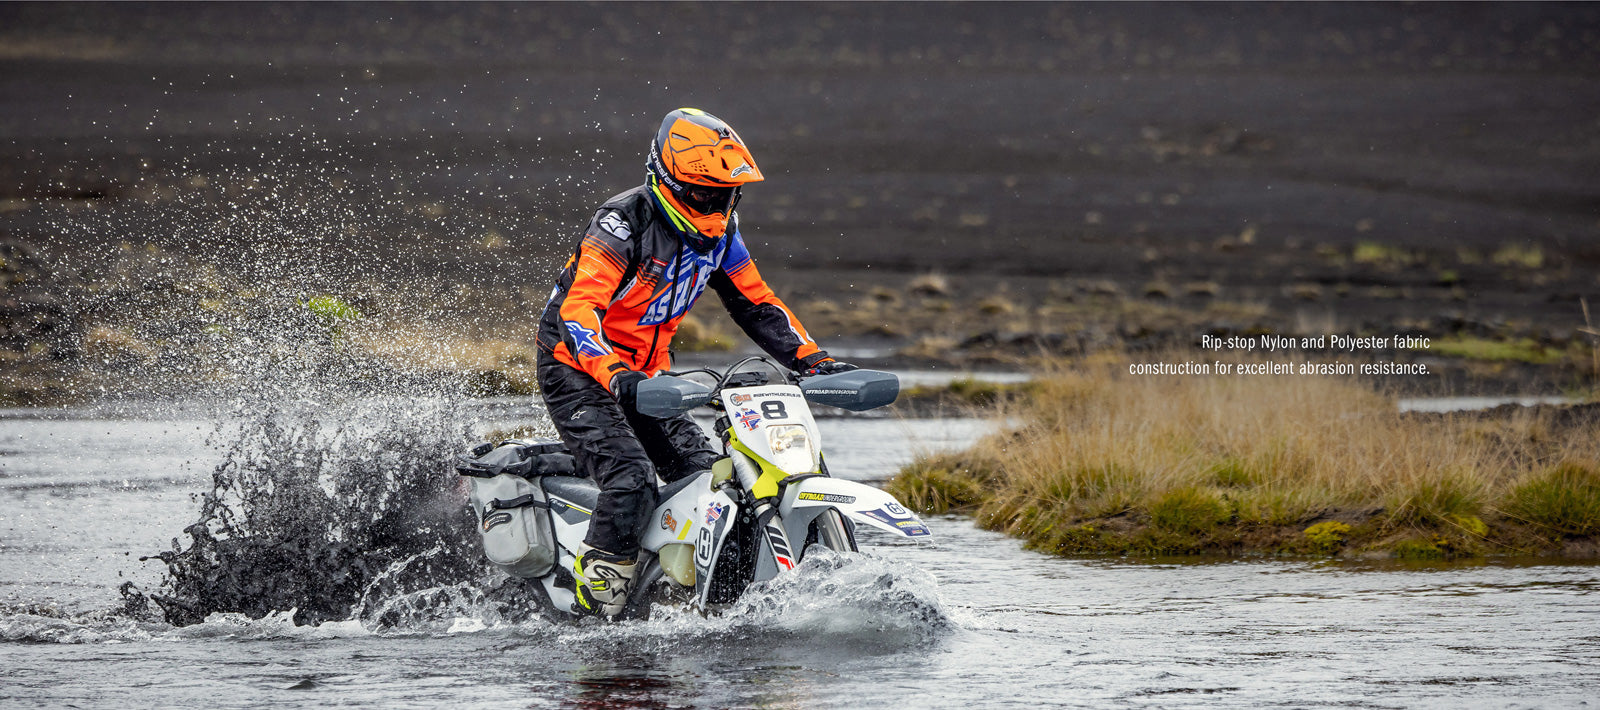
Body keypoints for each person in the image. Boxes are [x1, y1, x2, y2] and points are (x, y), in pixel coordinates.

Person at [535, 108, 855, 616]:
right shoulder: (621, 224)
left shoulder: (724, 233)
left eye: (727, 195)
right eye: (706, 194)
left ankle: (694, 599)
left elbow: (756, 303)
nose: (717, 206)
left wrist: (816, 361)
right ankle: (594, 615)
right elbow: (578, 313)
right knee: (631, 480)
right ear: (670, 182)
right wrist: (617, 377)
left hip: (649, 378)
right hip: (576, 368)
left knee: (713, 479)